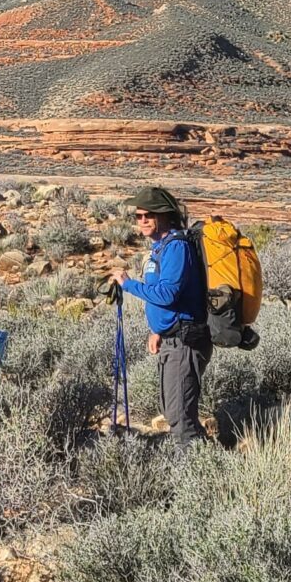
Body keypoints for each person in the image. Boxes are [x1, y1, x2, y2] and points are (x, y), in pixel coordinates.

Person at [108, 186, 212, 444]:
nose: (142, 221)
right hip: (171, 339)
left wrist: (128, 284)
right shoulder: (160, 247)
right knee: (172, 410)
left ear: (165, 216)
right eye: (139, 216)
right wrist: (157, 330)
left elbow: (167, 294)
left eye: (149, 215)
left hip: (185, 341)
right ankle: (203, 460)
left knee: (180, 418)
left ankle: (195, 473)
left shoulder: (177, 247)